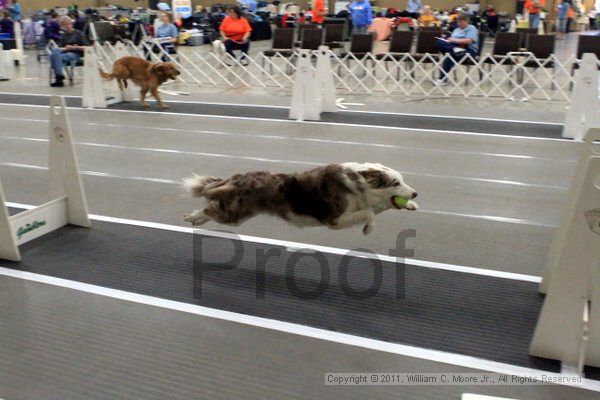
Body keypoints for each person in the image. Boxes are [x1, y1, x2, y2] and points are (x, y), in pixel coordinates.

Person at [436, 12, 478, 85]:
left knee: (449, 54)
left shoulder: (472, 28)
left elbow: (469, 41)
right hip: (455, 50)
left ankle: (442, 79)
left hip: (468, 52)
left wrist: (454, 41)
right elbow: (450, 41)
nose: (459, 24)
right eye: (458, 22)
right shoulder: (456, 30)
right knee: (439, 42)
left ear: (466, 21)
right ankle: (455, 49)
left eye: (461, 22)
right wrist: (450, 41)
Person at [49, 16, 88, 87]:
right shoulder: (64, 35)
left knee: (53, 56)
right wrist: (66, 48)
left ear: (71, 24)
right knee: (54, 52)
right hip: (66, 52)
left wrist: (76, 47)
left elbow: (87, 47)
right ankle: (59, 76)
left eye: (68, 24)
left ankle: (59, 79)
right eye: (64, 25)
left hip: (76, 53)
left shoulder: (79, 33)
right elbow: (60, 48)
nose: (66, 26)